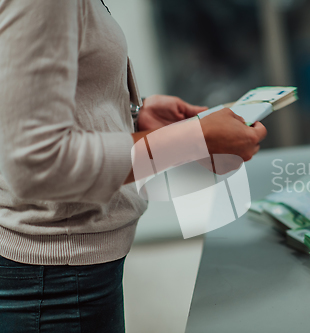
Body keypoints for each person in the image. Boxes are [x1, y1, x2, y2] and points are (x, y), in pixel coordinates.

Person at [0, 1, 267, 332]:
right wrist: (193, 139)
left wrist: (127, 116)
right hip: (56, 285)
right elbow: (36, 164)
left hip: (61, 274)